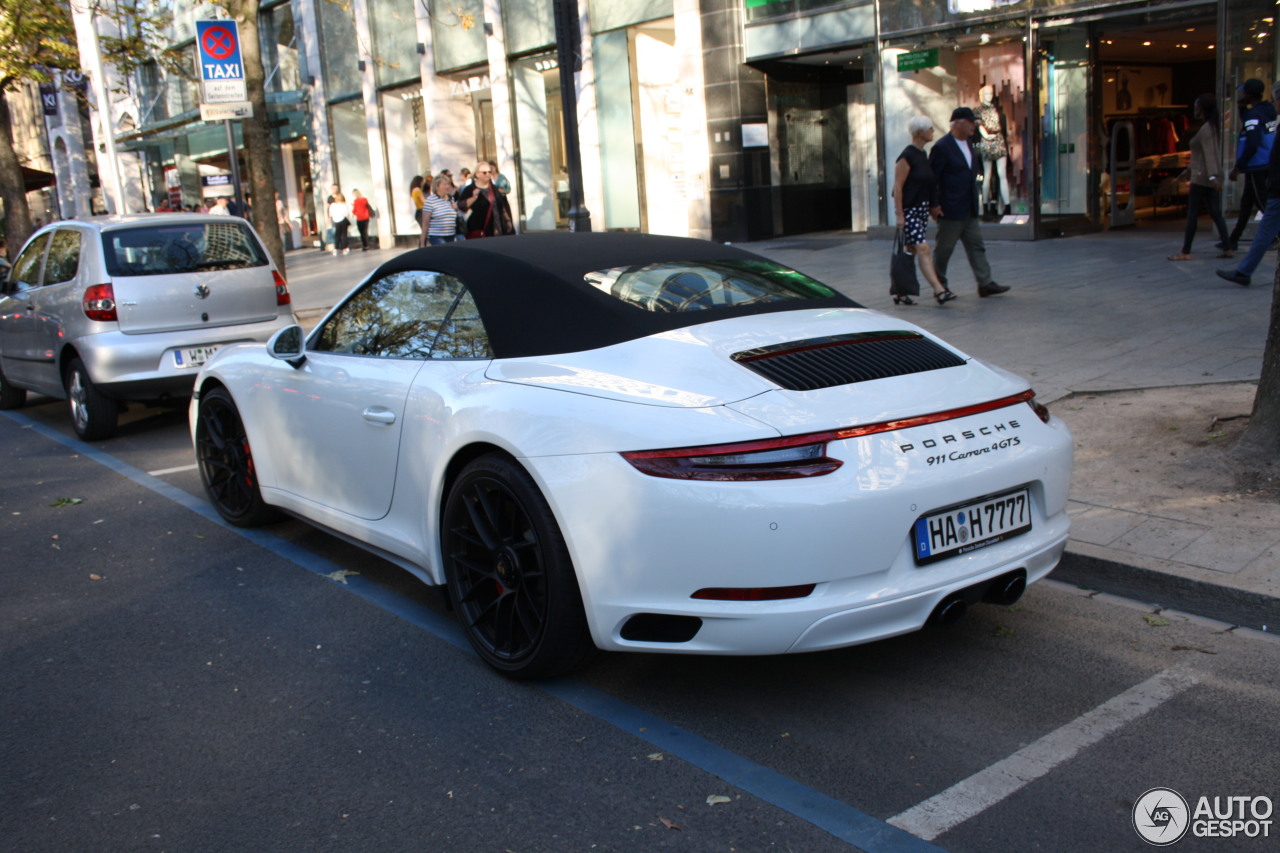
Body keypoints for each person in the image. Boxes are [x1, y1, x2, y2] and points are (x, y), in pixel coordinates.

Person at [928, 106, 1009, 298]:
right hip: (950, 209)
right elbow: (933, 180)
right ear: (958, 123)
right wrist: (934, 204)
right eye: (971, 122)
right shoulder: (942, 147)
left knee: (976, 246)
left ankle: (985, 283)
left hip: (969, 207)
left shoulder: (970, 144)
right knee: (944, 250)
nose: (974, 125)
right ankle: (940, 286)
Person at [1218, 81, 1280, 286]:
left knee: (1265, 216)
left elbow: (1252, 140)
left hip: (1261, 169)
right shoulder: (1266, 113)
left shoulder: (1256, 115)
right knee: (1248, 204)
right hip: (1267, 169)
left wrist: (1239, 165)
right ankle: (1234, 242)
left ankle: (1244, 269)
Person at [892, 116, 954, 306]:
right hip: (909, 210)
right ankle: (939, 290)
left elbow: (929, 185)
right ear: (920, 132)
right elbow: (898, 187)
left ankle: (900, 291)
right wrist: (899, 214)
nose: (932, 131)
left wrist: (933, 206)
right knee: (923, 248)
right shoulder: (906, 156)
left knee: (911, 249)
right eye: (930, 128)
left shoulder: (922, 155)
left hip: (921, 211)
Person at [1169, 94, 1232, 261]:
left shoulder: (1206, 130)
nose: (1195, 109)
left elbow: (1209, 154)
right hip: (1203, 175)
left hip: (1201, 178)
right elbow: (1203, 156)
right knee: (1215, 213)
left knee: (1193, 215)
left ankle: (1185, 251)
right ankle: (1227, 246)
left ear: (1202, 108)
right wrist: (1188, 171)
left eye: (1197, 106)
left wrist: (1212, 177)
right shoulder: (1211, 127)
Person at [975, 85, 1010, 217]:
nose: (989, 95)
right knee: (987, 175)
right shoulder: (978, 110)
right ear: (982, 95)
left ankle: (1007, 205)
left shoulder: (997, 109)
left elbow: (1002, 124)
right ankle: (985, 205)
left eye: (991, 93)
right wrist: (986, 135)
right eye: (987, 93)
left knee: (1002, 174)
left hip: (999, 139)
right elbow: (979, 126)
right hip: (987, 141)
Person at [457, 162, 515, 238]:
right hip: (479, 231)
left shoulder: (495, 189)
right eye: (484, 172)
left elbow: (502, 207)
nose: (488, 174)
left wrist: (508, 221)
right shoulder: (470, 189)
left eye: (489, 172)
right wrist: (473, 198)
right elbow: (461, 206)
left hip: (498, 230)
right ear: (477, 174)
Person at [422, 175, 461, 245]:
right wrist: (422, 242)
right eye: (445, 184)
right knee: (446, 252)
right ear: (437, 186)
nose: (447, 186)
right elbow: (425, 223)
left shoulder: (451, 199)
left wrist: (456, 208)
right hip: (436, 236)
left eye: (448, 184)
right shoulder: (430, 200)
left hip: (451, 235)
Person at [327, 191, 351, 256]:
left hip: (336, 220)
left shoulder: (332, 205)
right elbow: (346, 214)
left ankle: (336, 249)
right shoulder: (343, 205)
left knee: (337, 235)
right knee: (344, 235)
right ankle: (344, 248)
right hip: (343, 220)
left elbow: (330, 214)